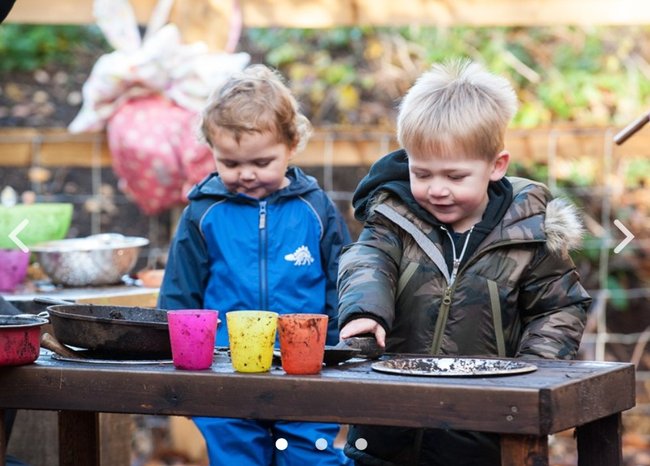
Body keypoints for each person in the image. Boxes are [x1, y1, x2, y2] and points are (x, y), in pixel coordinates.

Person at [336, 58, 591, 466]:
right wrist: (366, 311)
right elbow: (370, 259)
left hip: (483, 429)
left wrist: (532, 374)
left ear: (496, 166)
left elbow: (559, 306)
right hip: (388, 421)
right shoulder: (395, 218)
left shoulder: (527, 234)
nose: (437, 190)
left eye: (455, 177)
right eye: (422, 174)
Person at [158, 64, 352, 466]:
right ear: (211, 149)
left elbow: (343, 281)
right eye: (229, 163)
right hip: (225, 368)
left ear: (292, 144)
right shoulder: (203, 213)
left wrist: (340, 345)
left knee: (308, 457)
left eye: (262, 163)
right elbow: (180, 293)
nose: (245, 174)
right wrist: (178, 359)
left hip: (306, 368)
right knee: (237, 458)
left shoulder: (315, 210)